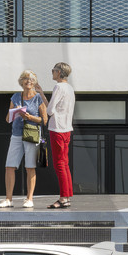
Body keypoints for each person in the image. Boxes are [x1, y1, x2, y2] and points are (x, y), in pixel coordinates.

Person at [0, 70, 46, 208]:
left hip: (32, 134)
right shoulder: (15, 97)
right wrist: (15, 112)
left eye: (31, 79)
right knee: (9, 166)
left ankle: (29, 199)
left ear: (34, 82)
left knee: (30, 167)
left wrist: (29, 117)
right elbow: (8, 119)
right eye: (25, 79)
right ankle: (8, 199)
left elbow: (44, 120)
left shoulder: (38, 98)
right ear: (21, 81)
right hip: (16, 134)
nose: (28, 81)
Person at [46, 62, 76, 209]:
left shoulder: (58, 87)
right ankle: (67, 196)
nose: (52, 72)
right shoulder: (69, 88)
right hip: (66, 128)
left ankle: (63, 198)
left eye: (53, 70)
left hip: (57, 128)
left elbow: (50, 110)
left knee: (59, 164)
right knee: (65, 163)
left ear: (59, 72)